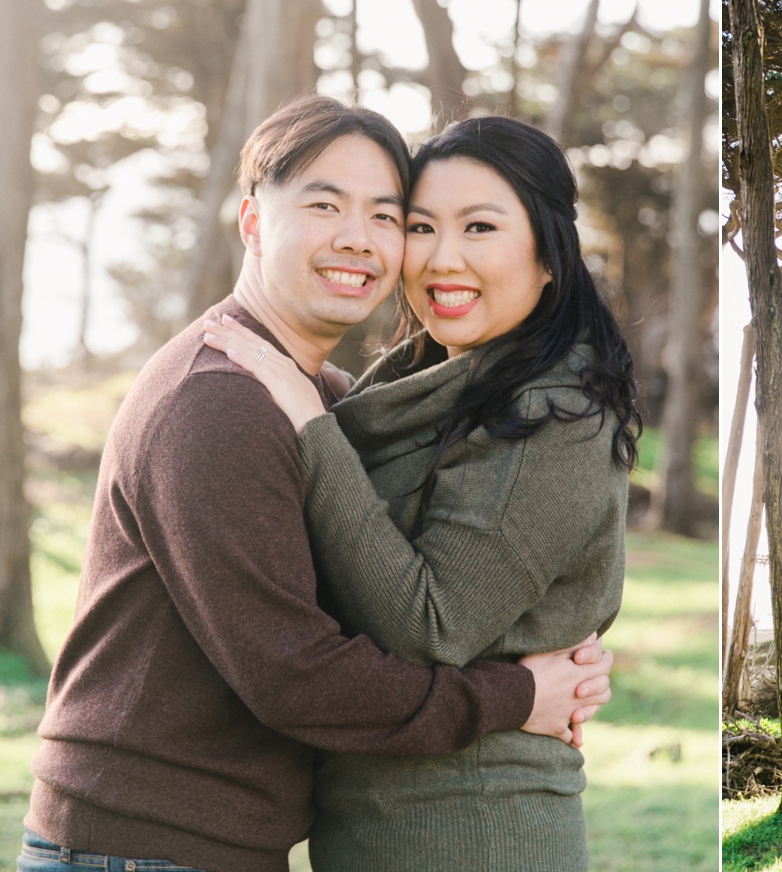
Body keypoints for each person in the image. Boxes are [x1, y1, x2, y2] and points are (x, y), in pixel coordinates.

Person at [20, 98, 613, 872]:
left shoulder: (319, 396)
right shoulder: (222, 402)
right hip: (140, 845)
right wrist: (519, 696)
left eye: (386, 216)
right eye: (325, 205)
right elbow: (298, 676)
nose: (358, 240)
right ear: (254, 221)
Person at [204, 115, 637, 871]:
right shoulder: (417, 386)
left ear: (548, 256)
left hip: (473, 826)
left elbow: (430, 626)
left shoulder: (554, 413)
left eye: (479, 227)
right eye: (421, 226)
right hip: (374, 821)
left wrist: (309, 425)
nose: (442, 259)